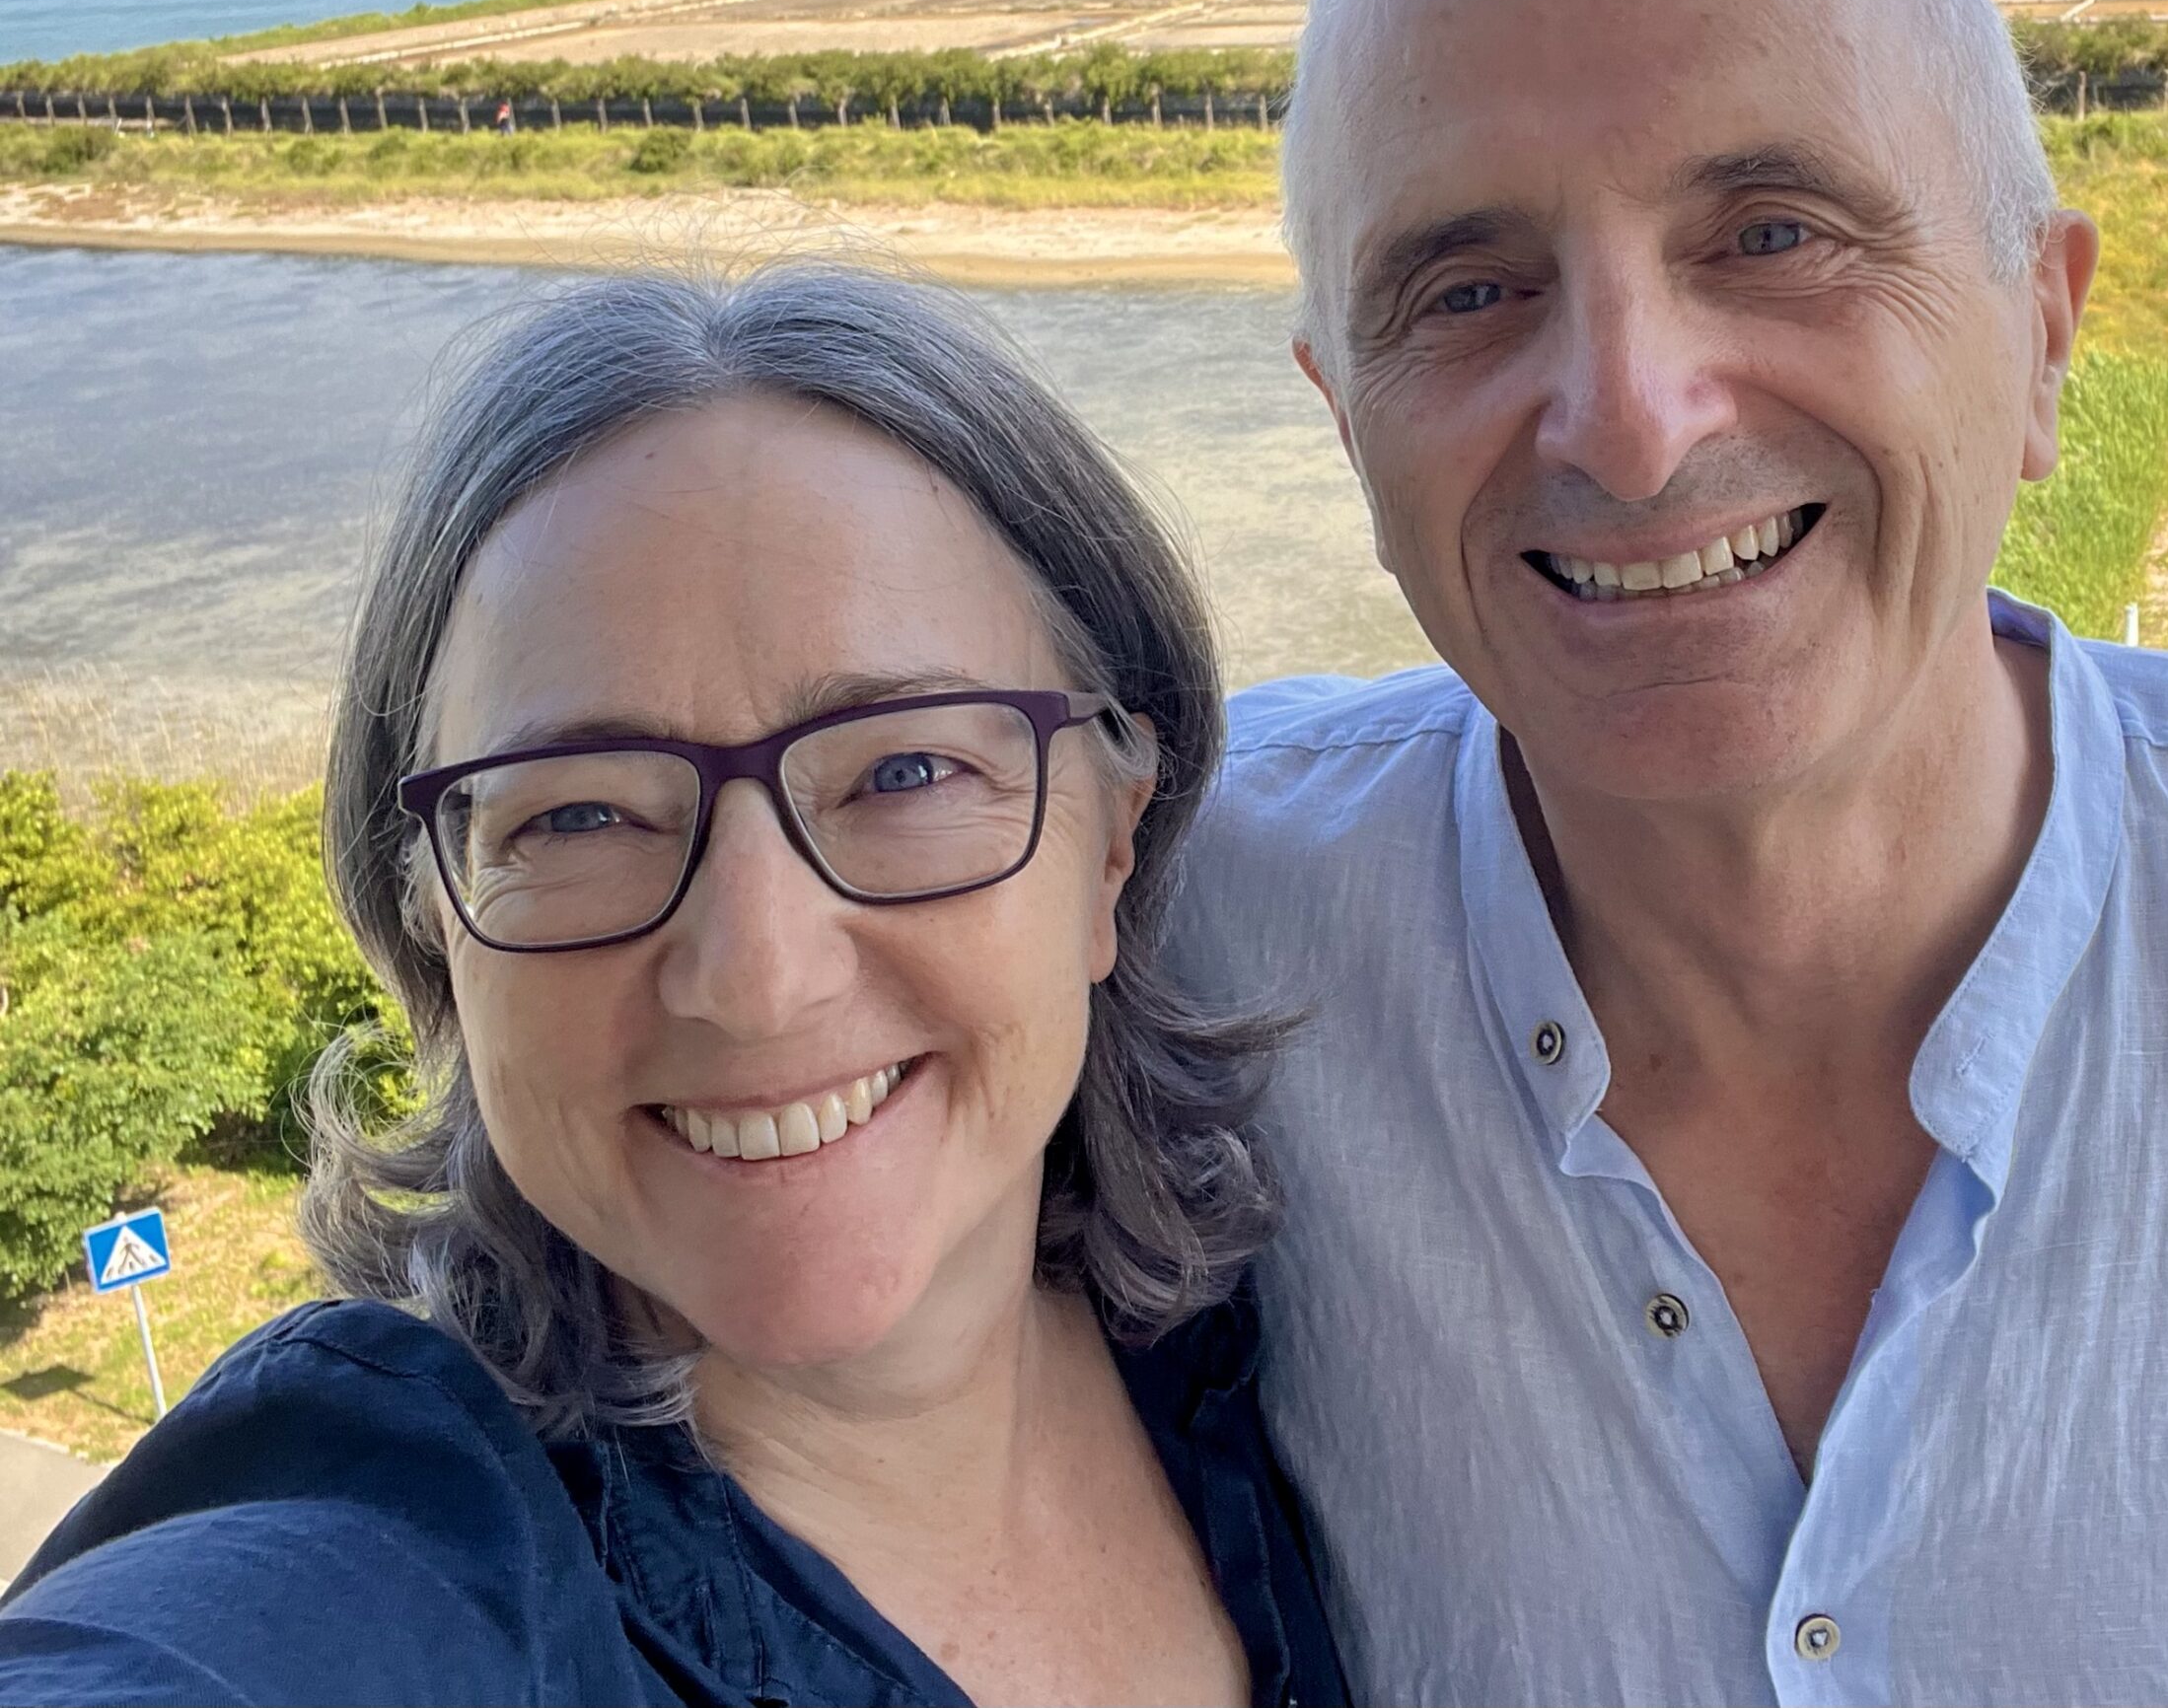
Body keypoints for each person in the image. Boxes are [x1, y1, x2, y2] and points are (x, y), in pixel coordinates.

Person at [1170, 0, 2168, 1706]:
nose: (1629, 422)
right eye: (1466, 292)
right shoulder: (1156, 938)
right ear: (1343, 423)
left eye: (1772, 233)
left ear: (2041, 335)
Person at [0, 266, 1346, 1708]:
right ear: (435, 915)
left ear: (1114, 838)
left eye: (906, 771)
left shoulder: (1286, 1325)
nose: (757, 980)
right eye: (578, 815)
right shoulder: (396, 1547)